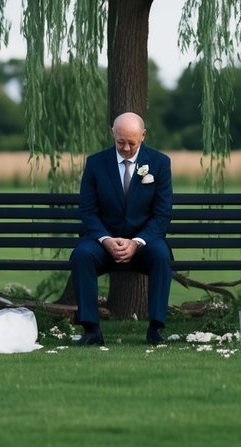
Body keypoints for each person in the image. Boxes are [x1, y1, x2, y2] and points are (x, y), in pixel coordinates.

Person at [69, 111, 173, 346]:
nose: (126, 148)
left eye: (131, 143)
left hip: (144, 242)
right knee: (82, 255)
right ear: (112, 134)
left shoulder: (160, 163)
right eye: (120, 142)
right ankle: (91, 329)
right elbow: (88, 210)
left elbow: (162, 213)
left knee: (161, 255)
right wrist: (106, 239)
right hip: (103, 242)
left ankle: (155, 328)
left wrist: (137, 242)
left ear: (143, 136)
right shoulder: (95, 163)